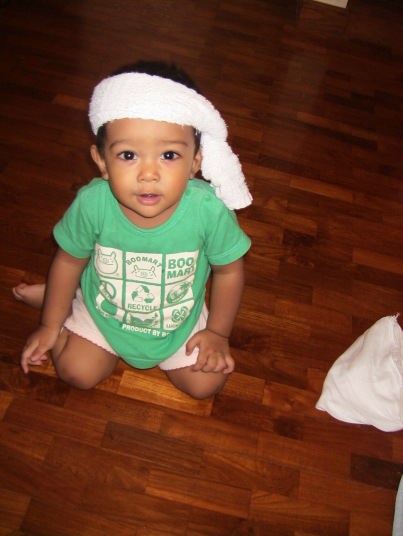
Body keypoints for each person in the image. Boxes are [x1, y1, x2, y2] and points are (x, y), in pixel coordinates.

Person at [13, 60, 252, 400]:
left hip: (177, 318)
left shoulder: (208, 210)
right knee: (76, 372)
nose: (148, 174)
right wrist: (50, 325)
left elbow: (228, 271)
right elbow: (68, 260)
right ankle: (65, 302)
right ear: (101, 161)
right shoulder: (92, 204)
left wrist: (218, 333)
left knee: (205, 385)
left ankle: (61, 295)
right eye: (128, 155)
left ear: (195, 162)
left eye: (169, 155)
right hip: (104, 309)